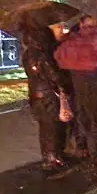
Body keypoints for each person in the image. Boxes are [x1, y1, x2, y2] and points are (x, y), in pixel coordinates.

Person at [52, 15, 97, 178]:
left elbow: (60, 58)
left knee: (91, 126)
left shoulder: (72, 43)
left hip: (84, 89)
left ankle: (96, 161)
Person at [20, 28, 74, 176]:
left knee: (44, 127)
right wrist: (62, 85)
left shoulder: (27, 54)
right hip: (48, 94)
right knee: (52, 127)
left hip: (36, 93)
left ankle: (49, 156)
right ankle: (53, 158)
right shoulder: (42, 55)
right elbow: (52, 75)